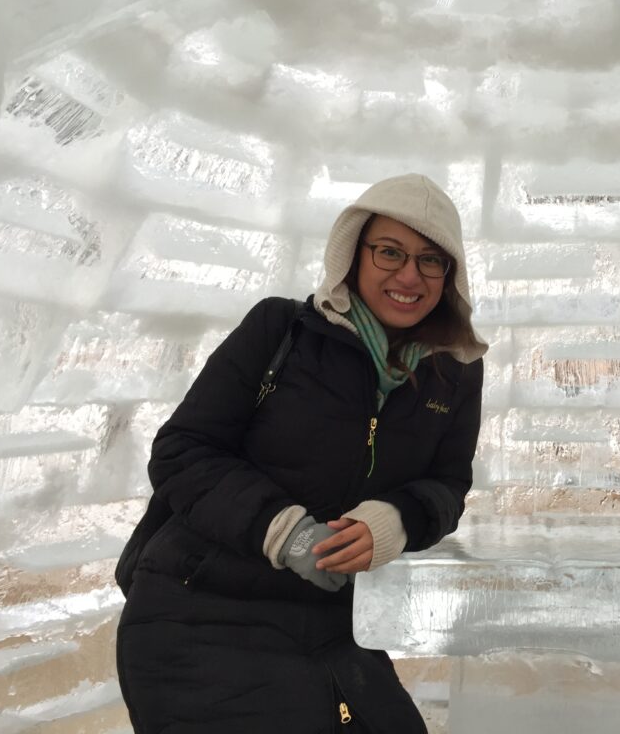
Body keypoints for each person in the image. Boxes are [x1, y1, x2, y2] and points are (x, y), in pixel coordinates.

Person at [116, 174, 487, 733]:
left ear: (449, 274)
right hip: (199, 611)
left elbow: (448, 486)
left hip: (332, 625)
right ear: (353, 252)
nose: (409, 275)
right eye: (390, 252)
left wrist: (396, 520)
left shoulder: (453, 371)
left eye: (431, 260)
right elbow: (182, 451)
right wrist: (285, 532)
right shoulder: (281, 330)